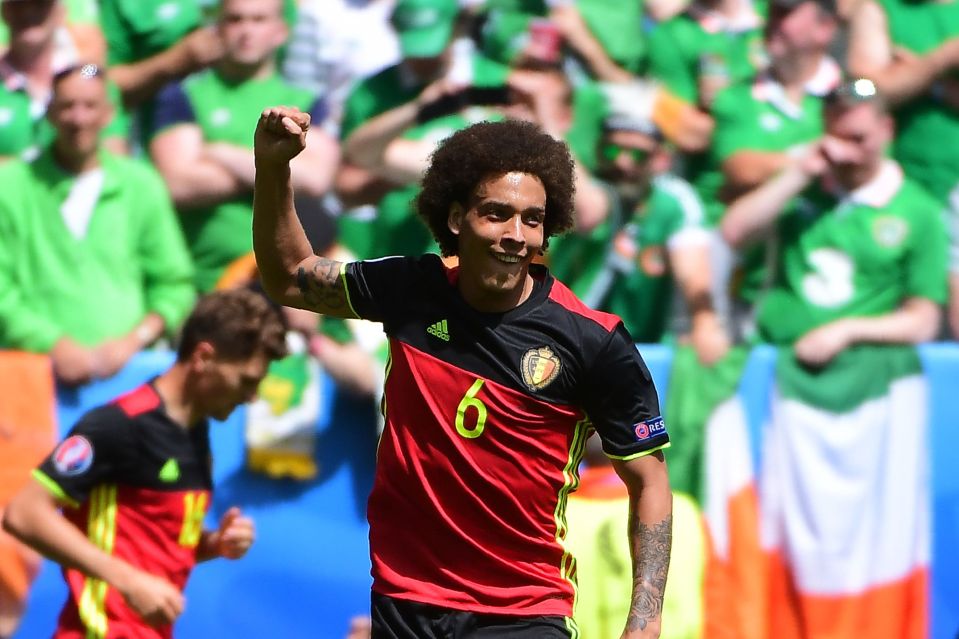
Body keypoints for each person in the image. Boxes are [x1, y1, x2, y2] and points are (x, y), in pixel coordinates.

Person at [252, 109, 673, 637]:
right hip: (404, 601)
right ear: (455, 219)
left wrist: (645, 621)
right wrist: (272, 169)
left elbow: (650, 478)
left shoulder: (594, 341)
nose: (516, 235)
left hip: (522, 611)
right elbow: (291, 278)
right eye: (497, 214)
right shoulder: (412, 290)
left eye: (533, 219)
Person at [722, 79, 947, 639]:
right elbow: (732, 232)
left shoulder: (915, 210)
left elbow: (924, 317)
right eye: (836, 134)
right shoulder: (804, 192)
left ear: (887, 131)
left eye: (860, 136)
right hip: (777, 389)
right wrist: (798, 172)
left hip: (871, 397)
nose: (847, 149)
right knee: (780, 537)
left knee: (867, 541)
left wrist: (848, 330)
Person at [1, 287, 289, 638]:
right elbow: (23, 513)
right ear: (202, 358)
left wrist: (214, 544)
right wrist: (127, 580)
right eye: (246, 381)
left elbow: (150, 546)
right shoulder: (118, 424)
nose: (252, 397)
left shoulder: (196, 434)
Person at [0, 63, 195, 387]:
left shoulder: (141, 185)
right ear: (49, 113)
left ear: (109, 114)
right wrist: (52, 343)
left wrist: (134, 340)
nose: (79, 119)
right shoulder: (11, 186)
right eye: (67, 106)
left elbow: (174, 282)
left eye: (90, 106)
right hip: (30, 379)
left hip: (128, 378)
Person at [149, 0, 339, 293]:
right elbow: (177, 183)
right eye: (235, 20)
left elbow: (316, 179)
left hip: (290, 281)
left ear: (281, 31)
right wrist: (278, 167)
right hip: (206, 282)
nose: (246, 31)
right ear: (218, 28)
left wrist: (218, 152)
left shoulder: (306, 101)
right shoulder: (184, 95)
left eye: (258, 20)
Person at [0, 0, 128, 161]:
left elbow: (116, 159)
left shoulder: (86, 75)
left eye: (40, 6)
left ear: (60, 13)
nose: (28, 13)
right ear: (5, 12)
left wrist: (87, 73)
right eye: (19, 6)